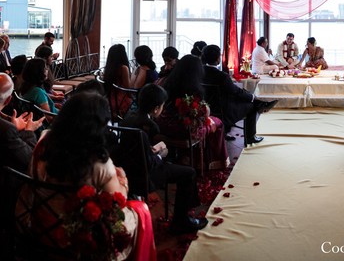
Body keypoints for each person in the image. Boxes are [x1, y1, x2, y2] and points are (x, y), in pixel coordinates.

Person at [24, 92, 156, 260]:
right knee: (141, 210)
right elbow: (117, 201)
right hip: (80, 236)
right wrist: (122, 179)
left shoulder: (44, 141)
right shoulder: (99, 163)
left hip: (42, 226)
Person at [120, 84, 208, 234]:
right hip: (145, 176)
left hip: (128, 170)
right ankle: (181, 221)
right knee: (189, 173)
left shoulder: (127, 119)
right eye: (161, 106)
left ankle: (185, 213)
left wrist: (151, 151)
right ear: (156, 108)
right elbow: (150, 163)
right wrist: (161, 154)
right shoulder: (148, 125)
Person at [158, 55, 229, 170]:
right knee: (218, 123)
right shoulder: (193, 89)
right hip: (183, 130)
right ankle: (211, 164)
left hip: (164, 126)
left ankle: (184, 158)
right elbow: (204, 114)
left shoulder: (167, 82)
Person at [201, 45, 277, 144]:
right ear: (217, 59)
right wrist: (251, 96)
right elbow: (235, 92)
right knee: (252, 105)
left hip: (207, 109)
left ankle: (261, 104)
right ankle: (250, 137)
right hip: (224, 112)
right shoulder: (222, 76)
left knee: (244, 96)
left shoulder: (199, 73)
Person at [0, 72, 44, 237]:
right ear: (9, 100)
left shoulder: (7, 129)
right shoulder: (6, 130)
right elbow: (30, 158)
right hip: (7, 197)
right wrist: (28, 131)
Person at [103, 44, 133, 121]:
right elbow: (128, 89)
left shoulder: (108, 68)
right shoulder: (123, 68)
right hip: (120, 102)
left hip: (110, 100)